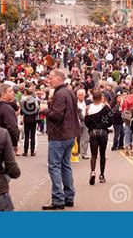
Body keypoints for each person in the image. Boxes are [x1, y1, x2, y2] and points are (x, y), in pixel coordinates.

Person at [41, 69, 80, 210]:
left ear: (58, 78)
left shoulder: (59, 93)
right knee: (65, 166)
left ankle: (58, 199)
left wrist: (45, 109)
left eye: (50, 78)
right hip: (69, 134)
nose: (48, 80)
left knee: (55, 166)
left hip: (59, 135)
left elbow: (57, 115)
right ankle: (69, 197)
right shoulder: (69, 91)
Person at [84, 90, 112, 185]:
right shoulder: (106, 107)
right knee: (102, 154)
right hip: (103, 132)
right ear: (101, 98)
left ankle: (92, 172)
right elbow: (109, 123)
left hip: (93, 133)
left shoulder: (87, 108)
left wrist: (92, 128)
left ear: (92, 98)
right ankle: (102, 175)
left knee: (93, 155)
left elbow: (86, 122)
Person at [0, 84, 20, 154]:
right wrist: (15, 143)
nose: (13, 93)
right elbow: (12, 127)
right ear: (3, 95)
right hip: (5, 143)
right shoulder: (6, 108)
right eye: (10, 91)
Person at [20, 87, 39, 156]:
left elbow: (21, 112)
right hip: (33, 118)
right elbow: (37, 110)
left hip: (26, 118)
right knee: (33, 135)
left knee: (26, 136)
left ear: (26, 93)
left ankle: (25, 151)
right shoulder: (35, 100)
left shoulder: (24, 101)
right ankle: (32, 151)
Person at [76, 89, 90, 159]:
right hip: (76, 122)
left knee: (85, 138)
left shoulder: (88, 102)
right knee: (77, 138)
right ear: (77, 95)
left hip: (86, 122)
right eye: (80, 95)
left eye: (83, 95)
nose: (81, 96)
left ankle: (84, 153)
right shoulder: (74, 102)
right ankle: (77, 152)